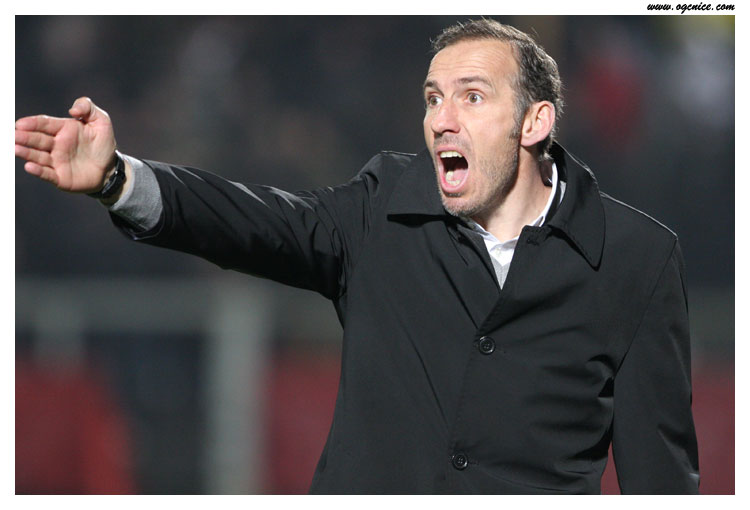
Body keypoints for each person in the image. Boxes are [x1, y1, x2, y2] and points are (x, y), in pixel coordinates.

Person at [15, 19, 699, 494]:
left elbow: (661, 480)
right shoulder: (383, 207)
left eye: (472, 96)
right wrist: (118, 180)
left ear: (535, 121)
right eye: (433, 98)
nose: (442, 119)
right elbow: (253, 222)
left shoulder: (635, 259)